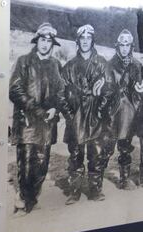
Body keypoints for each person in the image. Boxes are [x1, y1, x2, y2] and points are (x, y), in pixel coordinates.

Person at [9, 23, 65, 214]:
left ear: (52, 44)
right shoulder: (24, 61)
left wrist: (55, 109)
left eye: (49, 41)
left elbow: (61, 92)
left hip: (47, 124)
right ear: (37, 41)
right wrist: (37, 109)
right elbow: (14, 90)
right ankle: (25, 200)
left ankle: (31, 197)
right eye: (42, 39)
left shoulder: (56, 65)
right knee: (25, 164)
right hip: (27, 122)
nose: (45, 44)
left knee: (42, 165)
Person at [59, 24, 114, 205]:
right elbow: (60, 93)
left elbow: (109, 90)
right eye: (82, 39)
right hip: (76, 116)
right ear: (77, 41)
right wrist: (69, 114)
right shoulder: (69, 66)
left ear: (92, 40)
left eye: (88, 38)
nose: (85, 42)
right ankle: (74, 191)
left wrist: (99, 111)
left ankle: (95, 190)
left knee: (96, 155)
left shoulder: (102, 64)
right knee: (75, 155)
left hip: (96, 117)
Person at [103, 29, 143, 190]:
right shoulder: (110, 65)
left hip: (134, 110)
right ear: (117, 46)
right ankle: (108, 179)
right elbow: (108, 89)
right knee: (114, 146)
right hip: (117, 112)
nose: (124, 48)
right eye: (122, 45)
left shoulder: (137, 65)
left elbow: (139, 87)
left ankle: (133, 177)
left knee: (132, 144)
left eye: (127, 45)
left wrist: (138, 91)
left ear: (131, 46)